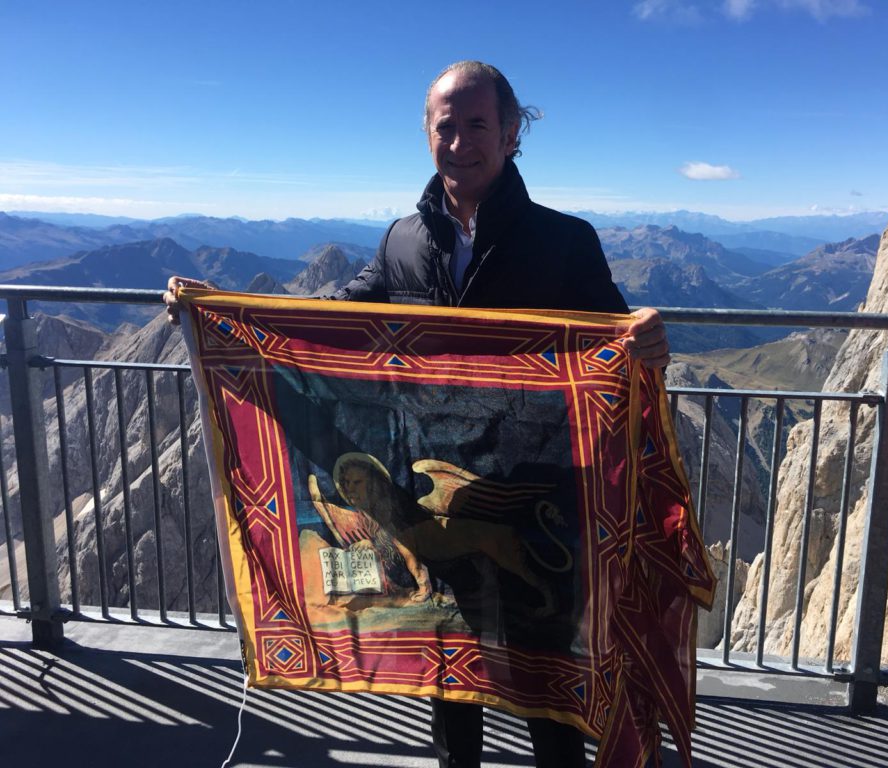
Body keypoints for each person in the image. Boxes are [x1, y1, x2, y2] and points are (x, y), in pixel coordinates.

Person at [165, 59, 670, 768]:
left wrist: (643, 333)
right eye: (446, 127)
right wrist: (224, 314)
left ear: (512, 131)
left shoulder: (564, 240)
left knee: (544, 673)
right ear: (426, 135)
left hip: (533, 482)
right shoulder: (403, 239)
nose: (461, 141)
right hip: (435, 480)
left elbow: (612, 341)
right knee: (451, 675)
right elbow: (339, 316)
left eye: (478, 125)